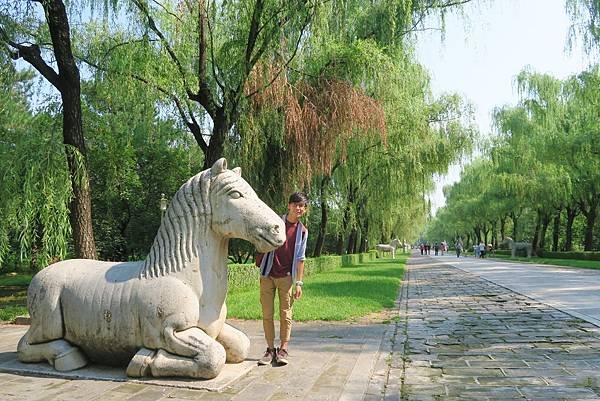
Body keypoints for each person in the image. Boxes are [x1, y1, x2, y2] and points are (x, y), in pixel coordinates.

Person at [255, 192, 308, 366]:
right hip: (267, 275)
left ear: (304, 209)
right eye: (296, 204)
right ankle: (270, 350)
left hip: (286, 278)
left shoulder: (302, 231)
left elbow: (301, 258)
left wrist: (299, 283)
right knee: (267, 314)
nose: (298, 208)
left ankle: (283, 349)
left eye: (302, 206)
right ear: (289, 205)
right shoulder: (276, 222)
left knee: (286, 315)